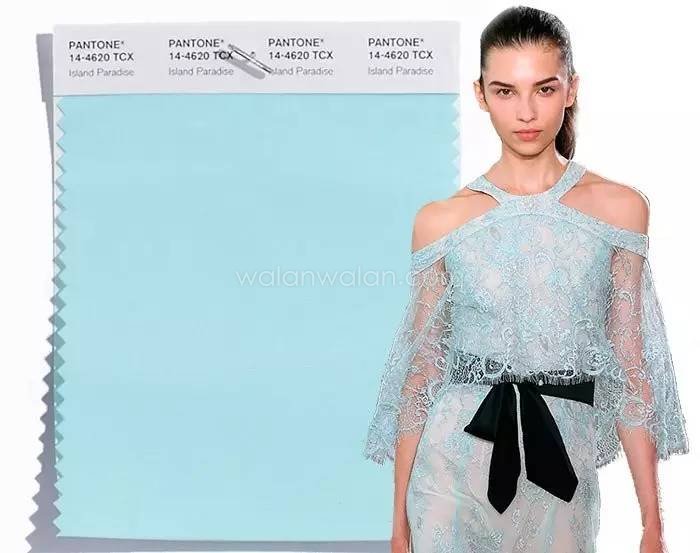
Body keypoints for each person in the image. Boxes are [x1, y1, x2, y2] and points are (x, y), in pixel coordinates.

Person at [362, 5, 689, 553]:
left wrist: (653, 522)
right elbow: (419, 375)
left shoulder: (620, 210)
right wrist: (398, 526)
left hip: (561, 463)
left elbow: (632, 368)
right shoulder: (441, 221)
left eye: (544, 88)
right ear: (481, 95)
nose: (526, 111)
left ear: (571, 89)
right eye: (505, 91)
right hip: (450, 464)